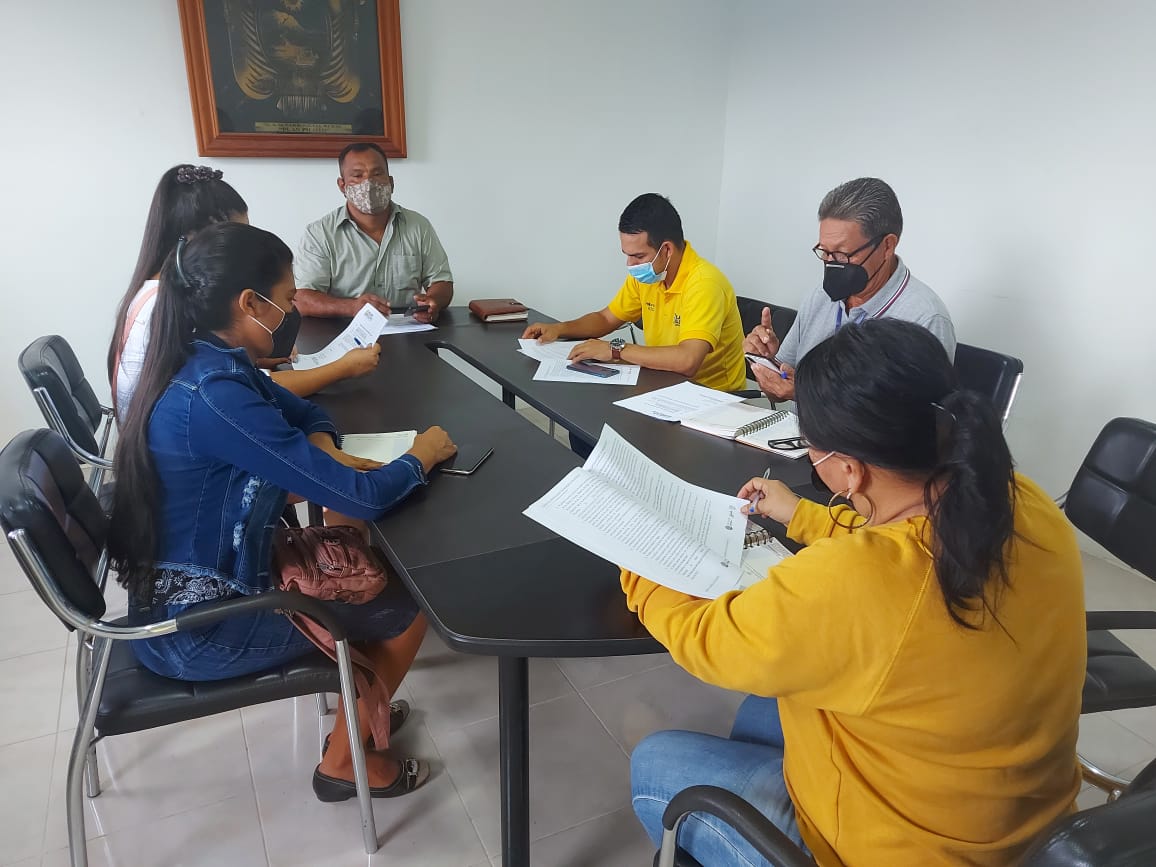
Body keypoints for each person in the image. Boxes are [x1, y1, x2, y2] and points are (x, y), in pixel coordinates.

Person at [625, 319, 1085, 866]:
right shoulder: (1017, 499)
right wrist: (803, 515)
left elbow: (708, 639)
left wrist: (637, 554)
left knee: (657, 762)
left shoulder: (854, 581)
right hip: (1017, 824)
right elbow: (904, 544)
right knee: (762, 713)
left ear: (848, 469)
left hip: (904, 850)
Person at [108, 222, 457, 800]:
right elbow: (359, 497)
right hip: (198, 627)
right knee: (408, 606)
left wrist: (321, 450)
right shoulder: (215, 395)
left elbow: (305, 411)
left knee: (370, 571)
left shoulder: (208, 359)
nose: (293, 310)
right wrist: (423, 454)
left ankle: (361, 708)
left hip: (207, 582)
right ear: (250, 303)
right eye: (288, 299)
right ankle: (344, 762)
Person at [110, 164, 380, 419]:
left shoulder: (158, 290)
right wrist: (342, 368)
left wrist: (255, 356)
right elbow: (245, 390)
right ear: (204, 241)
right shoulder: (173, 305)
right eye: (237, 237)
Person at [744, 177, 956, 403]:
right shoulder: (820, 296)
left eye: (842, 254)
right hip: (797, 427)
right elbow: (780, 391)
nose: (831, 263)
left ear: (887, 246)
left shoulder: (925, 318)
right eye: (824, 252)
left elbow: (915, 418)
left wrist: (807, 394)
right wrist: (766, 362)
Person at [522, 193, 746, 393]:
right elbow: (606, 318)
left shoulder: (704, 283)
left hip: (713, 398)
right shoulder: (650, 275)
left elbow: (688, 360)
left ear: (667, 250)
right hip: (662, 384)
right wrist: (560, 329)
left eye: (638, 256)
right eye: (626, 254)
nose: (630, 264)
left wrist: (615, 350)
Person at [294, 142, 453, 324]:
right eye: (357, 176)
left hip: (408, 330)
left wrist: (433, 301)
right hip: (344, 332)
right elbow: (302, 299)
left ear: (391, 182)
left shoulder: (418, 226)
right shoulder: (319, 234)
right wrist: (352, 307)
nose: (369, 183)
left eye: (377, 174)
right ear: (342, 185)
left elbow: (442, 282)